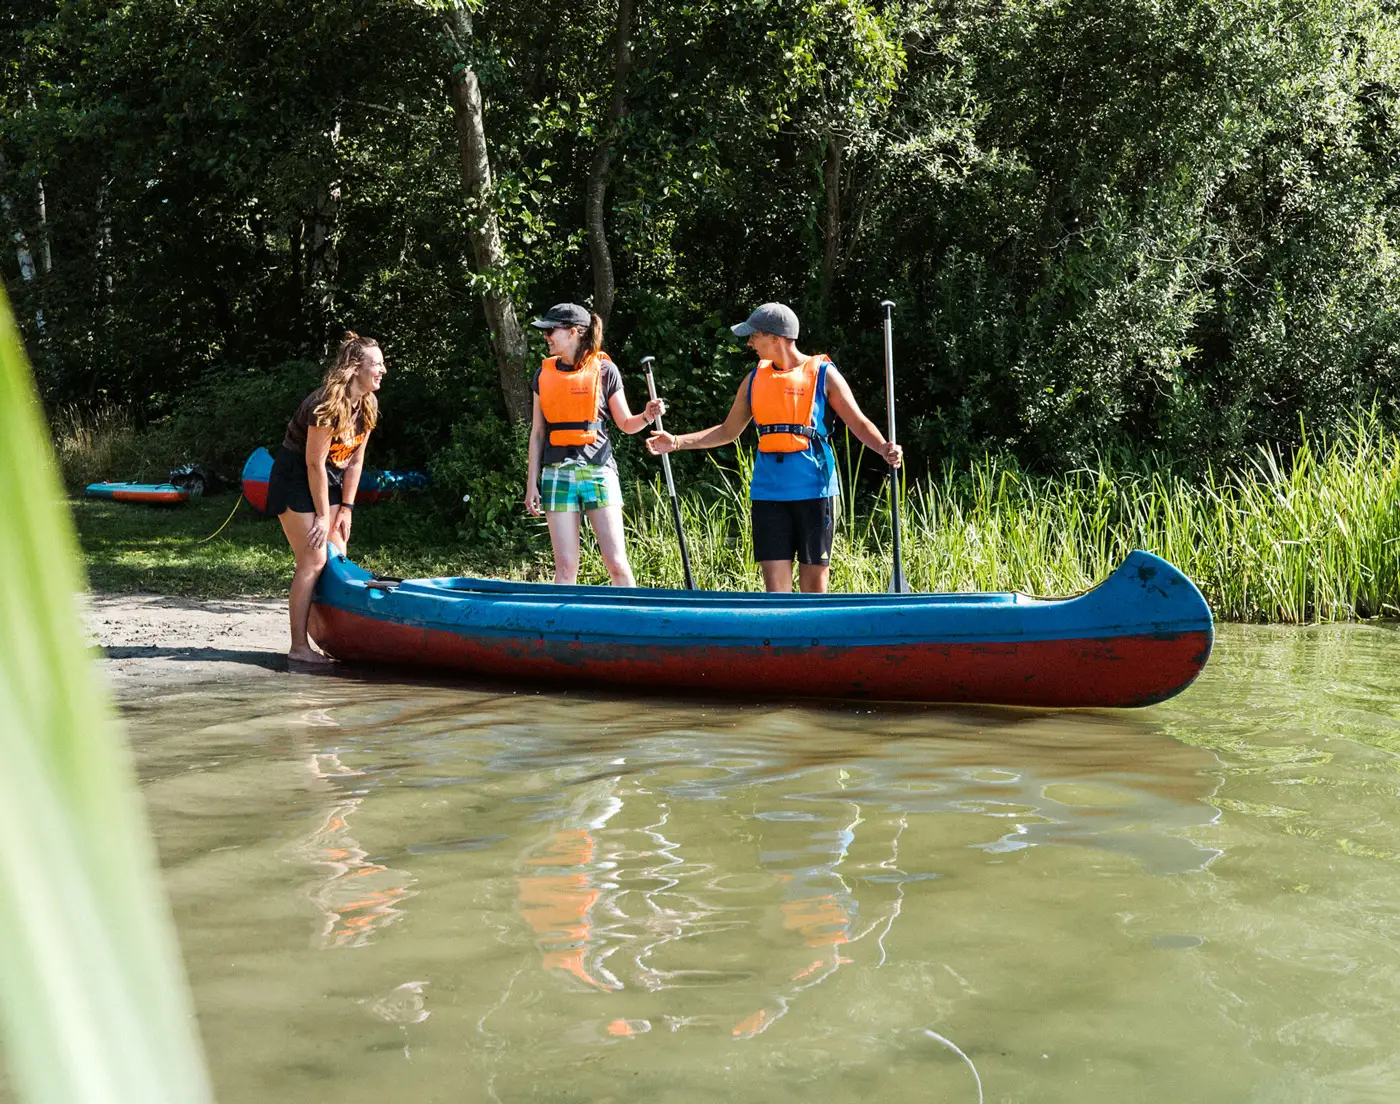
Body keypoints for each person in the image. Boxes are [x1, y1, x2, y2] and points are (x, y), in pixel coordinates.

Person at [646, 302, 901, 593]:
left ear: (776, 338)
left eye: (755, 335)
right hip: (769, 493)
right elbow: (727, 431)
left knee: (814, 591)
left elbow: (858, 422)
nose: (750, 342)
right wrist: (676, 442)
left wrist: (883, 447)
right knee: (776, 594)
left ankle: (812, 639)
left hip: (815, 491)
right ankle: (783, 639)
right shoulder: (755, 378)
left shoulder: (824, 374)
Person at [266, 331, 386, 663]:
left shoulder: (368, 404)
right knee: (314, 559)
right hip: (295, 477)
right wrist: (322, 515)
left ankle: (334, 641)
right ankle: (298, 647)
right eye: (376, 364)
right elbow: (312, 463)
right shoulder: (325, 405)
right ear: (355, 368)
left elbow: (356, 460)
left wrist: (346, 508)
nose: (383, 370)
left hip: (329, 477)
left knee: (337, 555)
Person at [525, 302, 665, 586]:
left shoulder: (605, 370)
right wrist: (531, 483)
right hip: (556, 473)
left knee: (616, 563)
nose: (546, 336)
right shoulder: (542, 375)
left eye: (551, 330)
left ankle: (630, 626)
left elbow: (627, 424)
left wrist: (647, 416)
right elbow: (538, 433)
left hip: (598, 471)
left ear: (574, 332)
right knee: (565, 568)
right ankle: (562, 630)